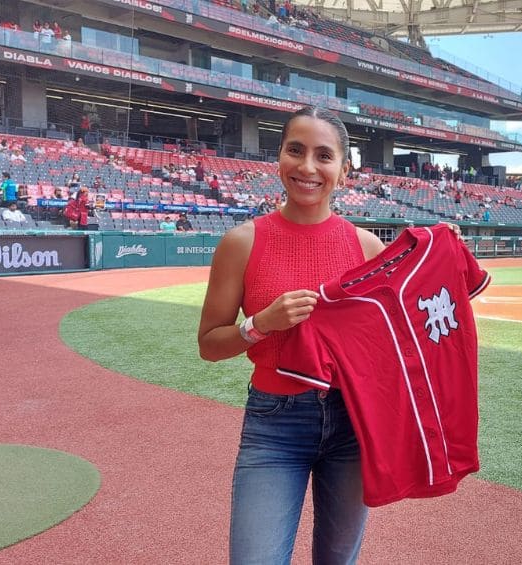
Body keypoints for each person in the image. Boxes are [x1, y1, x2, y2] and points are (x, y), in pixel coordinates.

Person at [197, 106, 386, 564]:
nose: (307, 167)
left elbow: (395, 342)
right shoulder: (242, 242)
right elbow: (209, 344)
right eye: (295, 150)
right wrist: (260, 324)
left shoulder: (367, 247)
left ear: (343, 171)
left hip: (352, 424)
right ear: (278, 157)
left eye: (324, 156)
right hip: (275, 424)